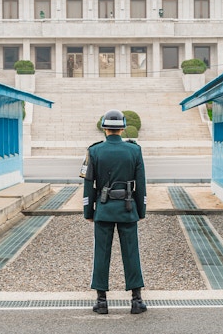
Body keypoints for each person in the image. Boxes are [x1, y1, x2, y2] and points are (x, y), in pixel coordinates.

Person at [82, 109, 147, 315]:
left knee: (101, 254)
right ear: (123, 127)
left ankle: (101, 301)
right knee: (131, 253)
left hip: (103, 208)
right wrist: (141, 209)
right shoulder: (134, 150)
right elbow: (142, 185)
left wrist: (88, 211)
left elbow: (88, 184)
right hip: (128, 208)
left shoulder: (94, 151)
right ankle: (136, 300)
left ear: (104, 128)